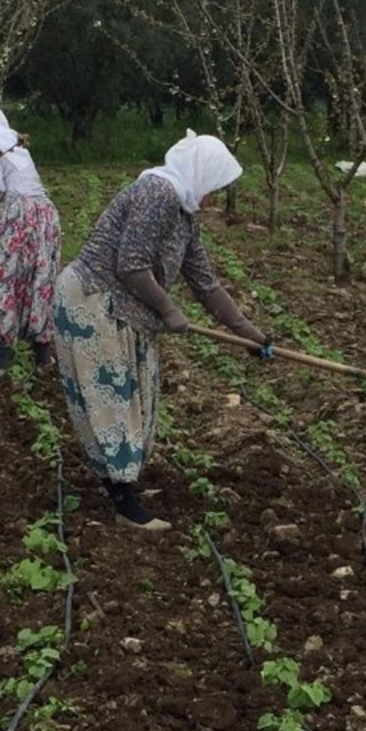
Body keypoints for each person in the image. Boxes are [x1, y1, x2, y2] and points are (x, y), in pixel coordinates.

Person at [53, 130, 272, 530]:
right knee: (112, 398)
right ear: (200, 173)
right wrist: (169, 309)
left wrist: (249, 334)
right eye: (214, 187)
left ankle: (123, 484)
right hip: (94, 302)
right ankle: (123, 502)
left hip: (123, 308)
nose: (213, 197)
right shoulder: (159, 193)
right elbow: (131, 265)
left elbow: (206, 284)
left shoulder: (183, 216)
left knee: (137, 397)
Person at [0, 121, 61, 375]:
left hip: (17, 212)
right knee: (41, 278)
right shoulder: (17, 144)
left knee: (6, 277)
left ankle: (1, 358)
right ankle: (42, 356)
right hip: (44, 210)